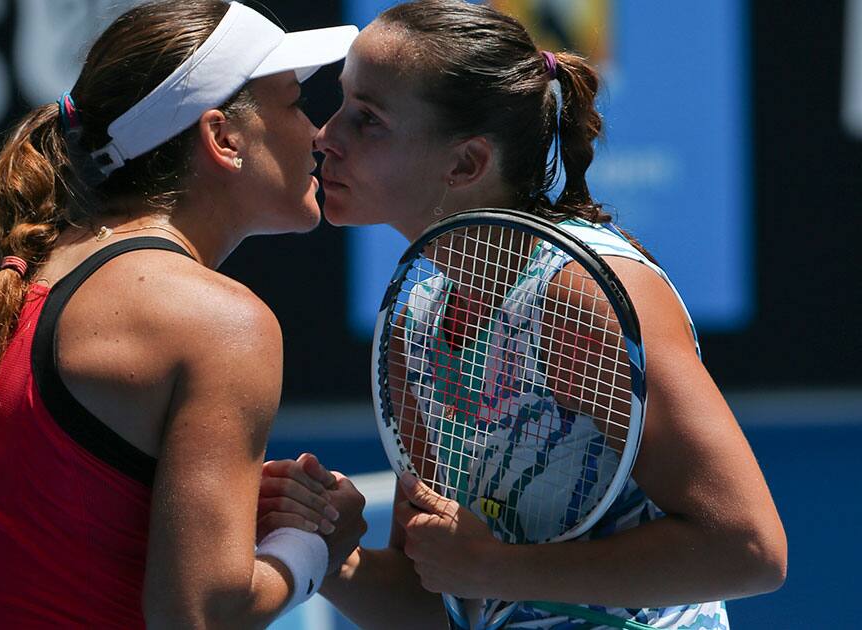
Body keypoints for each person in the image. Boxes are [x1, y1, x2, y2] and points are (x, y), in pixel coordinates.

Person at [259, 1, 787, 628]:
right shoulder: (414, 317)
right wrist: (332, 550)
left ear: (466, 164)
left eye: (368, 120)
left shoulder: (581, 299)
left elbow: (750, 550)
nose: (326, 136)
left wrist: (494, 568)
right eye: (342, 104)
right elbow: (434, 608)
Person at [0, 2, 366, 628]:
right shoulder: (223, 324)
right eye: (292, 102)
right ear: (223, 139)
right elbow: (198, 615)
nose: (317, 132)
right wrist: (314, 543)